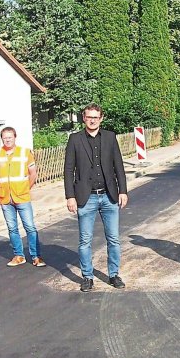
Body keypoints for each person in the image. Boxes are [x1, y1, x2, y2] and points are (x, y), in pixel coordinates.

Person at [64, 103, 128, 292]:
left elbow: (119, 166)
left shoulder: (110, 137)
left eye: (95, 117)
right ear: (84, 118)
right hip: (86, 197)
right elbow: (68, 170)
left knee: (114, 239)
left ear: (101, 118)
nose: (92, 120)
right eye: (88, 117)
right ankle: (87, 277)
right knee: (85, 240)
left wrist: (123, 191)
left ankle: (114, 274)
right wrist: (70, 196)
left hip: (109, 196)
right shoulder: (75, 139)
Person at [0, 126, 44, 268]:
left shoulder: (25, 153)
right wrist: (1, 187)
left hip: (22, 196)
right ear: (2, 139)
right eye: (5, 137)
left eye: (10, 137)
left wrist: (26, 187)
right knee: (12, 228)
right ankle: (19, 255)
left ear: (15, 137)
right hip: (5, 198)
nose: (7, 140)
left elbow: (33, 173)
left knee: (30, 227)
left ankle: (36, 256)